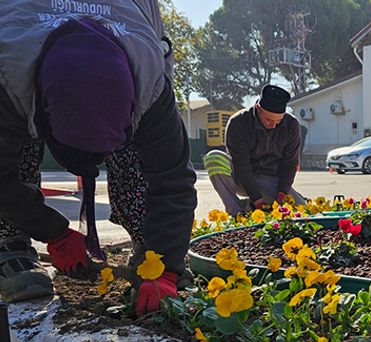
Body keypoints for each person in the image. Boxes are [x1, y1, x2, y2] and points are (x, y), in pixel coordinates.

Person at [0, 3, 197, 315]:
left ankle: (150, 250)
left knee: (139, 160)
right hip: (20, 69)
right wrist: (53, 231)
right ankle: (10, 245)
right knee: (12, 150)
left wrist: (166, 264)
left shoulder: (150, 81)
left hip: (127, 39)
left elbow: (173, 179)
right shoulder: (7, 74)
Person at [205, 85, 306, 216]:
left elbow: (290, 163)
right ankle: (236, 212)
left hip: (271, 180)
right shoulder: (238, 122)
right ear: (258, 108)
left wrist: (282, 192)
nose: (274, 125)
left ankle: (248, 206)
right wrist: (257, 199)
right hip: (242, 177)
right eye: (269, 120)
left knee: (302, 211)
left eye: (278, 121)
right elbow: (241, 165)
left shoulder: (291, 124)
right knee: (214, 158)